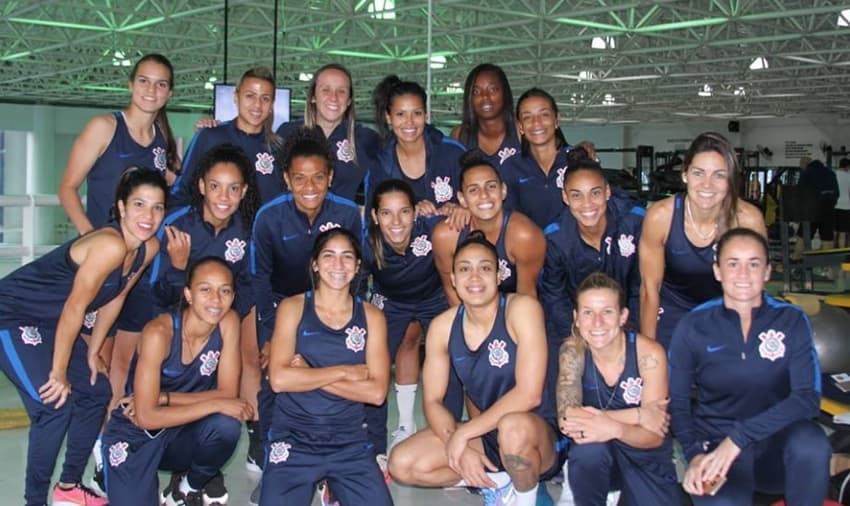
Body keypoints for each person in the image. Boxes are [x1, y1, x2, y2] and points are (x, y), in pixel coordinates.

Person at [0, 168, 166, 506]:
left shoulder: (147, 247)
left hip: (50, 323)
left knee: (96, 390)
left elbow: (115, 298)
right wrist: (59, 373)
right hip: (11, 316)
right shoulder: (109, 245)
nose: (148, 216)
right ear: (121, 207)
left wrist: (92, 352)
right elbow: (75, 308)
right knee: (54, 404)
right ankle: (35, 501)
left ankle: (70, 486)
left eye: (157, 207)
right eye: (139, 205)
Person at [389, 231, 562, 506]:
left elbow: (529, 395)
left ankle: (524, 499)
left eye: (485, 268)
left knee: (513, 427)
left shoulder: (521, 310)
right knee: (402, 463)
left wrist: (464, 434)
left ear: (498, 275)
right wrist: (454, 442)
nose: (475, 277)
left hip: (540, 435)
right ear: (454, 280)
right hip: (488, 433)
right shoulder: (443, 327)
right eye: (465, 269)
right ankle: (500, 481)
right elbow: (433, 401)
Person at [58, 54, 181, 421]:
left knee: (125, 360)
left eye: (160, 84)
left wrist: (210, 132)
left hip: (139, 268)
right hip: (101, 266)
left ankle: (107, 443)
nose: (151, 90)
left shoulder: (162, 141)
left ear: (169, 93)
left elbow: (181, 184)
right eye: (144, 81)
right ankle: (85, 434)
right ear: (130, 85)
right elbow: (66, 187)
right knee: (93, 357)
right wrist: (92, 238)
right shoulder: (104, 127)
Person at [670, 227, 831, 504]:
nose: (743, 274)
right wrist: (694, 454)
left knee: (812, 443)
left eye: (753, 264)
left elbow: (807, 399)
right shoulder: (694, 325)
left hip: (776, 444)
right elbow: (678, 403)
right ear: (717, 271)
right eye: (733, 264)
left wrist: (739, 438)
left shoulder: (791, 320)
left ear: (768, 271)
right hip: (717, 446)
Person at [250, 126, 362, 497]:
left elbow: (356, 273)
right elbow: (260, 282)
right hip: (284, 307)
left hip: (335, 307)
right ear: (286, 179)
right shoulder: (268, 217)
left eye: (318, 177)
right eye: (299, 178)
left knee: (349, 378)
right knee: (275, 379)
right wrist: (268, 336)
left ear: (330, 177)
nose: (309, 186)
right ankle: (272, 459)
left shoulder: (347, 214)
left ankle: (347, 463)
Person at [148, 143, 262, 474]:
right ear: (201, 187)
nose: (223, 196)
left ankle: (251, 433)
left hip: (225, 317)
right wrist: (178, 267)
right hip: (178, 323)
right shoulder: (176, 224)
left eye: (232, 188)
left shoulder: (248, 228)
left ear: (243, 192)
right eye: (215, 186)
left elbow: (251, 282)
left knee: (245, 354)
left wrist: (227, 315)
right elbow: (157, 294)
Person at [102, 257, 253, 505]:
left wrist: (165, 398)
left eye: (224, 291)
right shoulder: (158, 333)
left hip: (182, 430)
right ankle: (105, 464)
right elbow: (146, 417)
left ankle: (184, 490)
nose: (216, 300)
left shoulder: (229, 322)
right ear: (189, 294)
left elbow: (227, 392)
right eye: (205, 289)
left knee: (226, 425)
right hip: (135, 433)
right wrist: (214, 404)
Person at [259, 228, 392, 505]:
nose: (338, 265)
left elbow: (376, 392)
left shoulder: (372, 317)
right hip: (293, 439)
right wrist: (344, 372)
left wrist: (307, 374)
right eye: (329, 256)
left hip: (349, 441)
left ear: (357, 267)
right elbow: (279, 380)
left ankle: (335, 490)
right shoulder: (293, 307)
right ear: (315, 264)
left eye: (347, 257)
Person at [557, 272, 681, 505]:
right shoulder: (572, 351)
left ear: (623, 316)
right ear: (576, 317)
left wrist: (614, 427)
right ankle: (581, 489)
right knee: (587, 453)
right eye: (587, 313)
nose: (597, 323)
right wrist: (639, 414)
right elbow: (567, 420)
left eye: (607, 312)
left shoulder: (649, 355)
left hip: (643, 451)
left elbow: (654, 435)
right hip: (597, 449)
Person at [639, 132, 766, 349]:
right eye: (699, 173)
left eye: (719, 175)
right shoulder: (660, 217)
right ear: (685, 174)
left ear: (730, 179)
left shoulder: (748, 219)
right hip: (672, 310)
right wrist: (647, 351)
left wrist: (749, 341)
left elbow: (755, 287)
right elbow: (650, 289)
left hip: (726, 310)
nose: (707, 185)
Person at [362, 179, 449, 456]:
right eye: (386, 213)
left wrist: (457, 210)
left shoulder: (433, 228)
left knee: (453, 357)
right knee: (374, 365)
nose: (396, 221)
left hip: (434, 296)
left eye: (404, 211)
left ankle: (449, 434)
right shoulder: (367, 244)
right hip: (391, 301)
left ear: (416, 211)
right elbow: (356, 291)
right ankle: (385, 439)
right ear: (375, 216)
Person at [540, 157, 644, 347]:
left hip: (627, 320)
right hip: (579, 325)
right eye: (577, 195)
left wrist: (630, 332)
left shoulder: (634, 222)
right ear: (565, 197)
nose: (587, 204)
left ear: (607, 191)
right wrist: (578, 333)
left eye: (595, 193)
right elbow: (554, 296)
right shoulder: (555, 238)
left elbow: (642, 285)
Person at [433, 151, 545, 306]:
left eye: (491, 186)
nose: (484, 195)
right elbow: (452, 292)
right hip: (467, 312)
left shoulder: (524, 235)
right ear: (462, 199)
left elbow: (526, 298)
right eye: (473, 190)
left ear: (503, 190)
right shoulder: (446, 235)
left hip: (511, 311)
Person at [171, 67, 284, 207]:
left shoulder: (278, 149)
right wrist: (173, 225)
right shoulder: (210, 137)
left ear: (272, 105)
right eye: (250, 95)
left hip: (262, 229)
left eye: (265, 98)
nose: (257, 105)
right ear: (236, 97)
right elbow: (182, 190)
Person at [277, 63, 380, 204]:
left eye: (341, 91)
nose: (334, 97)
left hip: (344, 224)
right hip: (294, 224)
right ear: (313, 96)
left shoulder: (366, 139)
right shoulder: (288, 133)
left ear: (349, 100)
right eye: (326, 90)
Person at [369, 75, 466, 219]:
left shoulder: (453, 153)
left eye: (417, 113)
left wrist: (461, 208)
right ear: (388, 118)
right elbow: (372, 221)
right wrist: (410, 212)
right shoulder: (380, 165)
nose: (410, 122)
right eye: (400, 114)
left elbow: (479, 201)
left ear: (426, 115)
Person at [500, 87, 572, 229]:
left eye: (544, 114)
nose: (536, 123)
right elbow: (509, 219)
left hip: (573, 249)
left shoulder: (576, 160)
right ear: (520, 127)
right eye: (527, 117)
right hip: (530, 247)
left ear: (557, 120)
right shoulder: (511, 167)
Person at [450, 63, 521, 170]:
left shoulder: (521, 132)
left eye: (492, 89)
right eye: (476, 91)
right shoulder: (460, 135)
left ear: (504, 92)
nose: (485, 96)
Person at [836, 158, 850, 247]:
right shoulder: (849, 176)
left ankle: (831, 255)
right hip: (846, 206)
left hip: (834, 206)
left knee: (832, 232)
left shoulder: (833, 175)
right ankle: (843, 255)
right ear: (847, 166)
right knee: (843, 233)